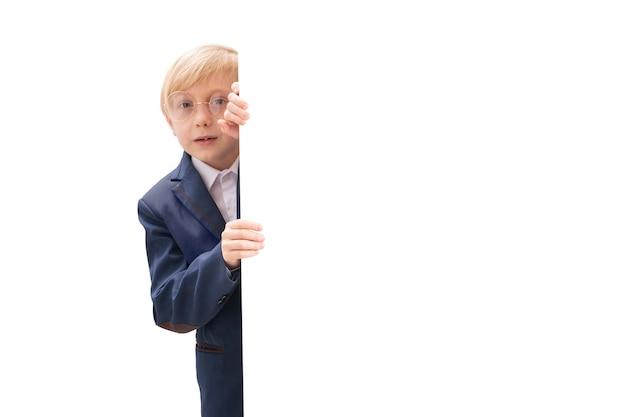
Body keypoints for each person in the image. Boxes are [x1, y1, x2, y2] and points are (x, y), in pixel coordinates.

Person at [137, 44, 265, 417]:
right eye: (185, 105)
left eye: (219, 101)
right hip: (227, 374)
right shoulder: (157, 204)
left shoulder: (278, 168)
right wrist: (221, 260)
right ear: (168, 119)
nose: (203, 119)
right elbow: (168, 307)